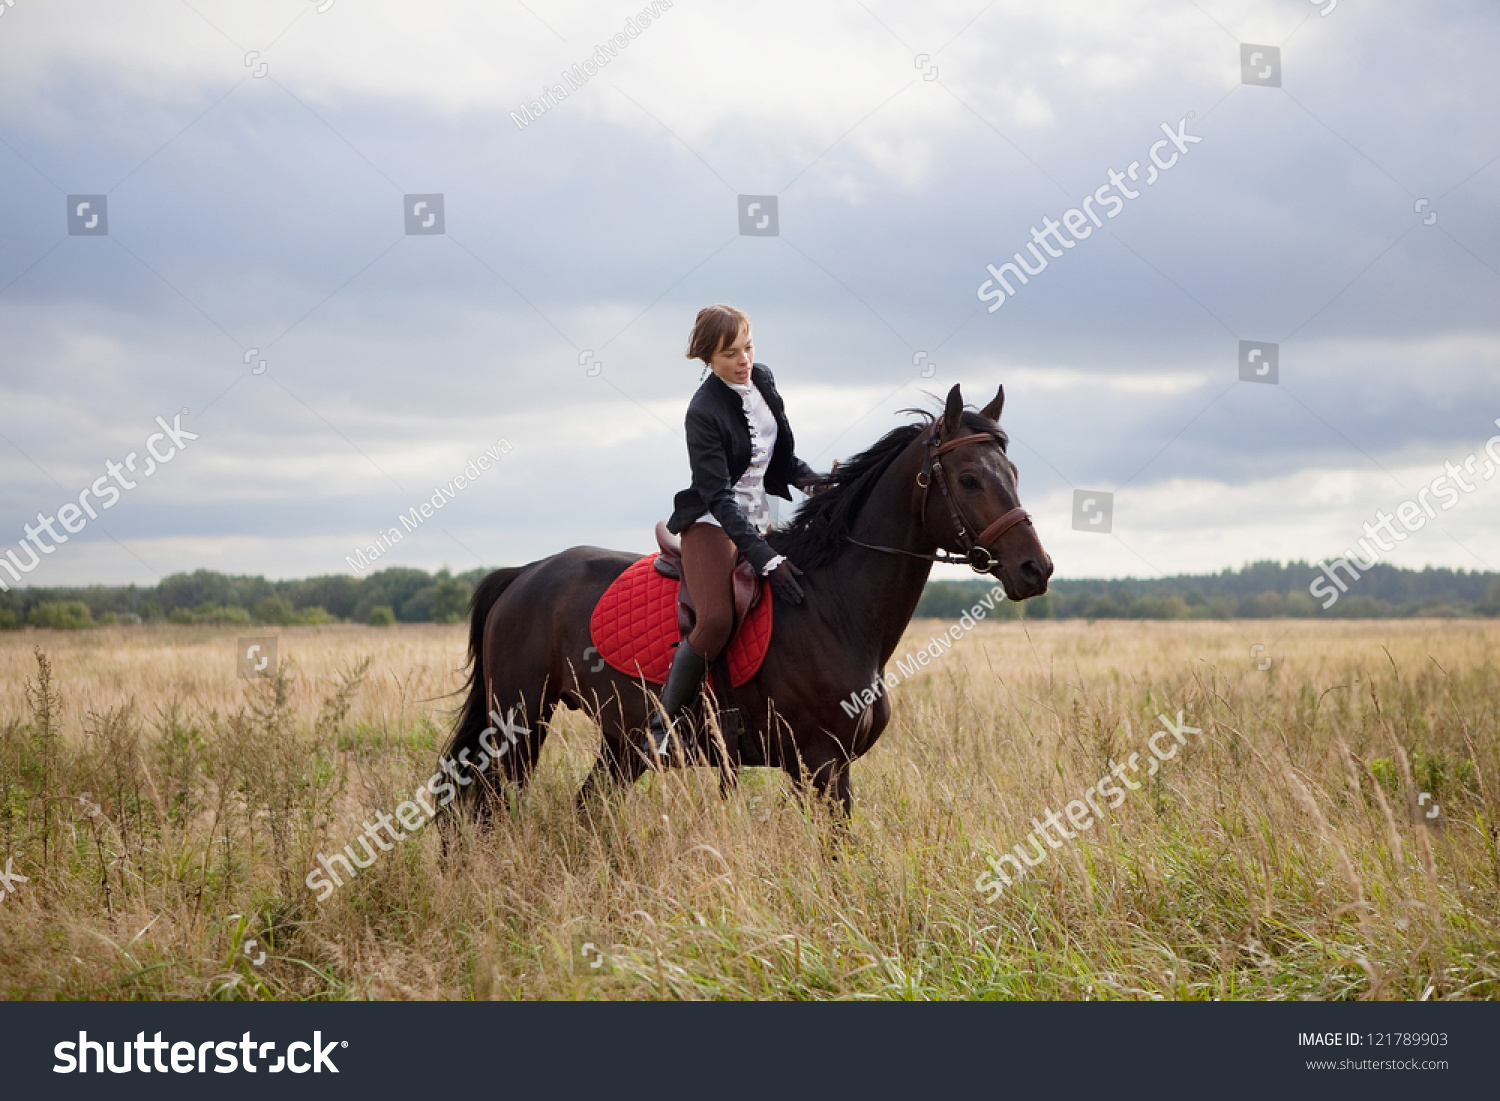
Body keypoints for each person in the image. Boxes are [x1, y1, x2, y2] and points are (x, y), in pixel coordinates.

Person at [648, 305, 822, 757]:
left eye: (748, 347)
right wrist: (765, 557)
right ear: (708, 358)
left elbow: (781, 461)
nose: (743, 360)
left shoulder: (762, 380)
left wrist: (818, 484)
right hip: (713, 523)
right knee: (717, 620)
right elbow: (719, 497)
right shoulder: (702, 411)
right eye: (730, 354)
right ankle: (663, 725)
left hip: (759, 518)